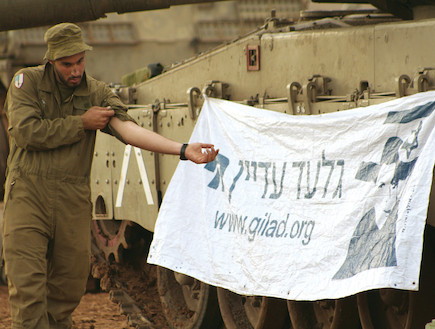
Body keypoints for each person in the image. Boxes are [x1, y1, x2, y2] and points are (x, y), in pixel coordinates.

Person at [1, 22, 218, 329]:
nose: (76, 70)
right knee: (28, 289)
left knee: (67, 289)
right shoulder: (28, 83)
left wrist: (183, 149)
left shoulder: (96, 92)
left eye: (80, 61)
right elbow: (25, 133)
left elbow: (128, 130)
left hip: (72, 199)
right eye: (67, 64)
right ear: (50, 61)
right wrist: (81, 123)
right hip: (28, 195)